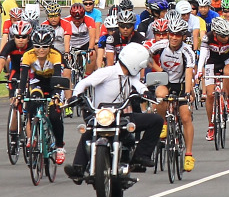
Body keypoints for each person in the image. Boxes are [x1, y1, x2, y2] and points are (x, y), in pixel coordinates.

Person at [64, 43, 163, 181]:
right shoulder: (107, 72)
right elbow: (84, 83)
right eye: (140, 65)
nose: (141, 68)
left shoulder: (130, 76)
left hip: (121, 116)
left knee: (156, 120)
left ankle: (140, 156)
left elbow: (140, 86)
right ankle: (78, 168)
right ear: (134, 62)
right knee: (89, 130)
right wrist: (75, 96)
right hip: (101, 114)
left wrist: (147, 93)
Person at [148, 19, 196, 172]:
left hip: (181, 84)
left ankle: (188, 154)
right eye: (171, 34)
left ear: (183, 36)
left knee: (186, 116)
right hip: (165, 81)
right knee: (160, 96)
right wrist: (157, 69)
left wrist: (188, 93)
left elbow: (189, 73)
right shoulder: (160, 45)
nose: (174, 37)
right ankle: (163, 123)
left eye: (177, 35)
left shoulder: (187, 51)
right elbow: (146, 57)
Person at [18, 27, 66, 165]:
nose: (41, 50)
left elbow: (58, 75)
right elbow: (24, 77)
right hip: (36, 83)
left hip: (53, 84)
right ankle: (32, 135)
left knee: (54, 115)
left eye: (45, 47)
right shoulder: (28, 55)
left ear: (50, 45)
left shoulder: (55, 55)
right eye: (37, 46)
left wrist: (56, 94)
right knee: (32, 101)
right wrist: (20, 94)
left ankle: (59, 146)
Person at [196, 17, 229, 141]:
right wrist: (199, 72)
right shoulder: (207, 38)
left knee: (228, 72)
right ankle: (211, 125)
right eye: (222, 36)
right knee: (210, 95)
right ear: (215, 33)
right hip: (212, 62)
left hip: (227, 61)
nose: (225, 38)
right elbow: (203, 56)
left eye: (227, 35)